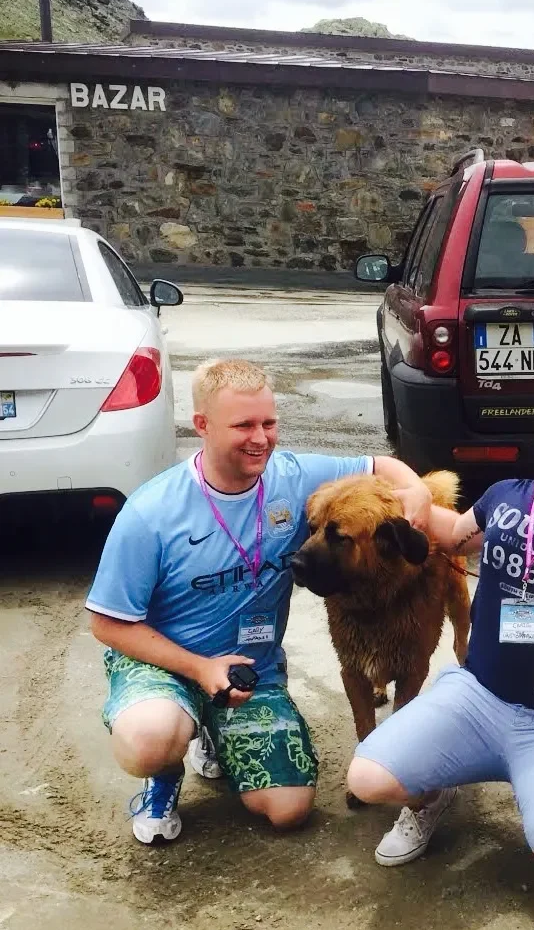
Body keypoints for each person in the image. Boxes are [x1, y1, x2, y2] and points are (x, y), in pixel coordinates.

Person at [86, 359, 432, 845]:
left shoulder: (291, 476)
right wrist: (200, 669)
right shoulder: (151, 511)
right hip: (166, 664)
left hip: (251, 671)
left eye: (269, 423)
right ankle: (164, 773)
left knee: (289, 810)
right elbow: (107, 623)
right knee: (150, 738)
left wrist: (417, 490)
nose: (260, 438)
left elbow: (381, 466)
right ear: (202, 425)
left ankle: (215, 730)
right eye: (243, 425)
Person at [344, 374, 534, 881]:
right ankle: (433, 794)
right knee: (367, 778)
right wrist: (411, 502)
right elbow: (455, 535)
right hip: (479, 696)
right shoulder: (506, 495)